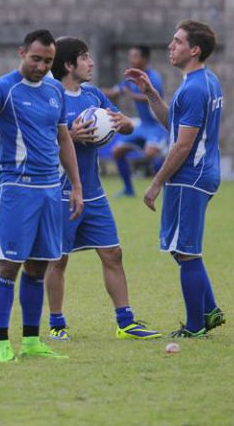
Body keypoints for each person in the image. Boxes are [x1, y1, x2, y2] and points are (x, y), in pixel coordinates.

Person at [0, 29, 83, 363]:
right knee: (8, 265)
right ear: (22, 53)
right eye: (36, 59)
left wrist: (76, 185)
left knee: (39, 266)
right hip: (17, 189)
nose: (41, 66)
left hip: (50, 189)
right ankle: (2, 343)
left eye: (48, 60)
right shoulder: (4, 87)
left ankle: (31, 340)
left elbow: (64, 139)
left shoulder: (54, 91)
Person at [44, 36, 161, 342]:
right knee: (58, 259)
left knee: (113, 253)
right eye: (84, 58)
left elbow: (126, 127)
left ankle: (126, 322)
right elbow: (40, 140)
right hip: (61, 192)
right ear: (69, 65)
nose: (91, 62)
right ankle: (56, 324)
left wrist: (123, 123)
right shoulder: (50, 96)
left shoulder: (94, 95)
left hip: (93, 191)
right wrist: (68, 135)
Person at [125, 20, 225, 338]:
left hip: (189, 177)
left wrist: (156, 182)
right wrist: (152, 95)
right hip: (203, 173)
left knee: (186, 250)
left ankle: (196, 326)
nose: (171, 46)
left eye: (178, 41)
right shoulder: (205, 81)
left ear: (194, 50)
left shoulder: (194, 88)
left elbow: (183, 144)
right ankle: (208, 310)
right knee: (182, 249)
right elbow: (174, 124)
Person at [104, 45, 168, 197]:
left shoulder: (154, 78)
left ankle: (167, 191)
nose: (131, 59)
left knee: (151, 153)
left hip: (156, 126)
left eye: (135, 56)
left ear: (144, 59)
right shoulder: (131, 78)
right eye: (130, 55)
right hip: (143, 125)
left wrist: (130, 94)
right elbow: (115, 92)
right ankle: (128, 190)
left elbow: (151, 98)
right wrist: (92, 90)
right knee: (117, 151)